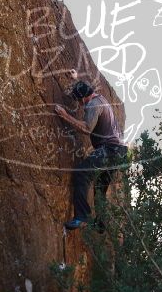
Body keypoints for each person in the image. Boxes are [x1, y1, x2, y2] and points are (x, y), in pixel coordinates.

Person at [55, 72, 128, 230]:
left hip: (110, 150)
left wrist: (65, 115)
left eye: (79, 102)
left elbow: (87, 128)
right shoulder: (98, 97)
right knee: (100, 186)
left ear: (82, 99)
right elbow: (86, 87)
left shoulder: (93, 105)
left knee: (82, 173)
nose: (80, 106)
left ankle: (81, 217)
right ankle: (100, 224)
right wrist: (76, 79)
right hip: (120, 152)